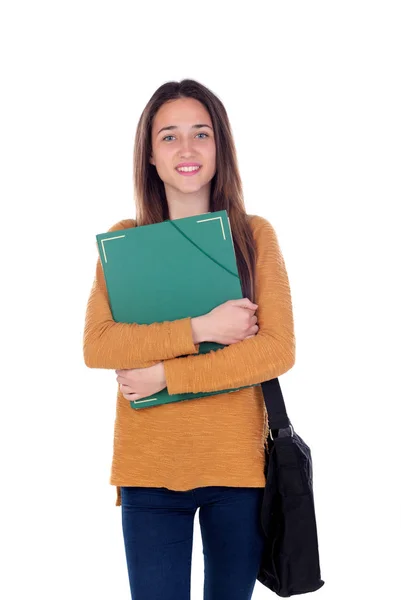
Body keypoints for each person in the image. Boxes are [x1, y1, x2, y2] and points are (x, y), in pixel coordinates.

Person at [83, 79, 296, 600]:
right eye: (169, 136)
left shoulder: (254, 235)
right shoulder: (126, 239)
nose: (186, 149)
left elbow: (277, 350)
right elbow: (99, 345)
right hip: (148, 470)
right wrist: (202, 329)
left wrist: (163, 375)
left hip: (236, 470)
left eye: (201, 134)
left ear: (220, 147)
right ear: (150, 156)